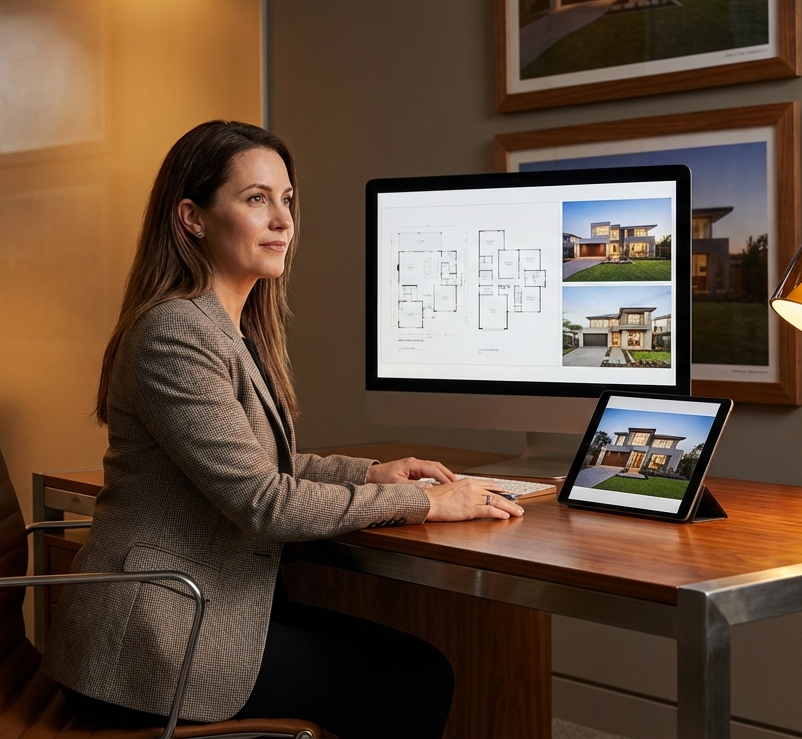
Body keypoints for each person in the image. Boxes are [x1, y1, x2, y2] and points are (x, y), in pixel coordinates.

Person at [41, 121, 523, 738]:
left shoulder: (225, 326)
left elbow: (267, 464)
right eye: (255, 199)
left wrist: (373, 473)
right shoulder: (176, 334)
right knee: (416, 679)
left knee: (418, 665)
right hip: (152, 642)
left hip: (208, 604)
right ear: (192, 217)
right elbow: (265, 504)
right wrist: (425, 502)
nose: (283, 221)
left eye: (287, 200)